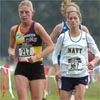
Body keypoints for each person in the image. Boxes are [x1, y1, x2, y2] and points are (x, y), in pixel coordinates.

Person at [8, 0, 54, 100]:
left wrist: (37, 56)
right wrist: (11, 52)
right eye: (21, 12)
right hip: (21, 68)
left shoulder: (37, 27)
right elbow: (12, 47)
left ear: (32, 13)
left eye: (27, 12)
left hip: (36, 68)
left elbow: (51, 46)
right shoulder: (14, 30)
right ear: (18, 12)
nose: (24, 15)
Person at [52, 10, 100, 100]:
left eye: (75, 18)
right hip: (66, 74)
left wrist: (93, 62)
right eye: (70, 18)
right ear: (67, 21)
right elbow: (55, 54)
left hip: (81, 74)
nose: (73, 20)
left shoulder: (86, 36)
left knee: (79, 98)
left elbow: (97, 53)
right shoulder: (63, 37)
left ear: (80, 21)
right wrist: (57, 70)